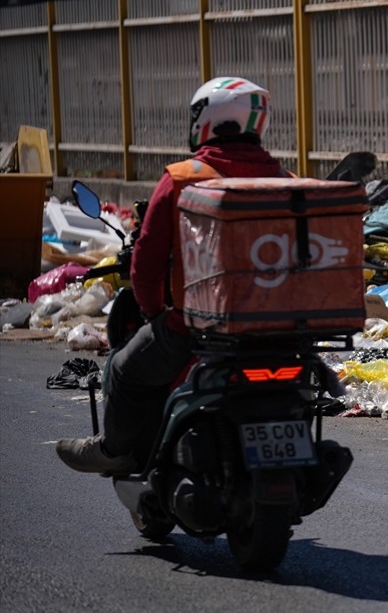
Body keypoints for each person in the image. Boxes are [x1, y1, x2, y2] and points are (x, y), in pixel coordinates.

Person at [56, 77, 290, 474]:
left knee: (123, 369)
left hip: (197, 329)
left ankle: (115, 451)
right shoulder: (285, 179)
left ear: (208, 120)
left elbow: (146, 262)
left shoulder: (184, 177)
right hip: (278, 331)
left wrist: (154, 313)